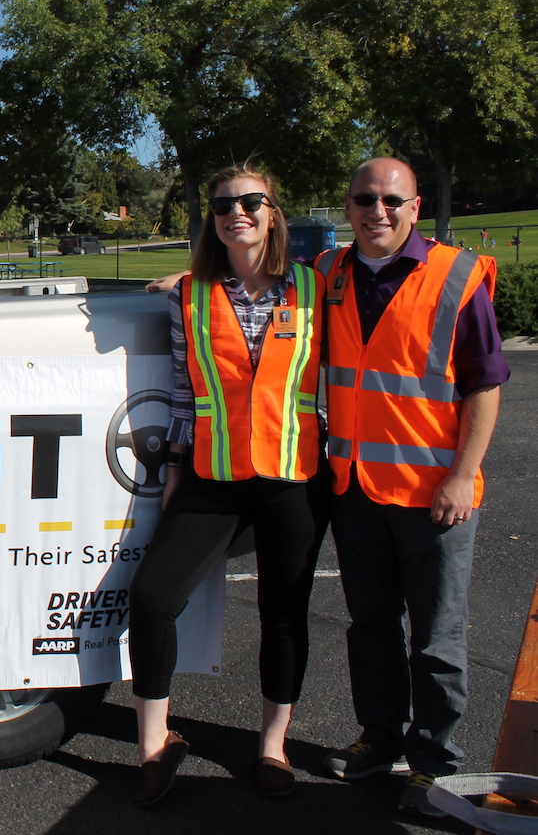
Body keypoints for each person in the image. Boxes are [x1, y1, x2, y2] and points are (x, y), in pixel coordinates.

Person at [127, 165, 327, 807]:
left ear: (272, 212)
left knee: (284, 615)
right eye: (222, 205)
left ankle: (273, 746)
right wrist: (175, 475)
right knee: (154, 598)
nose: (235, 213)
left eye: (249, 202)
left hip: (292, 478)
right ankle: (156, 746)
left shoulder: (314, 285)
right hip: (213, 475)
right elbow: (186, 391)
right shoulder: (187, 294)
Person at [317, 158, 508, 817]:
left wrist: (462, 474)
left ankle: (435, 763)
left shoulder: (455, 276)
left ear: (415, 206)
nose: (379, 211)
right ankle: (379, 737)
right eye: (366, 199)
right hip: (358, 488)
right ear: (348, 206)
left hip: (436, 496)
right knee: (370, 626)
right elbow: (249, 279)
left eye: (392, 200)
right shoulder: (329, 275)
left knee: (435, 637)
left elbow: (485, 383)